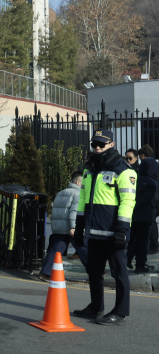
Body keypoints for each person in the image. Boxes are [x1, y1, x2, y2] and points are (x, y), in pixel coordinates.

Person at [73, 129, 136, 325]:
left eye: (101, 144)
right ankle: (96, 306)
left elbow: (128, 201)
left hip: (113, 232)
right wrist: (80, 224)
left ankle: (120, 311)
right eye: (94, 144)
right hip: (94, 231)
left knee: (119, 273)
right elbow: (83, 199)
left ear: (112, 145)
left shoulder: (123, 170)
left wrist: (121, 230)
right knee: (93, 271)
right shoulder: (89, 169)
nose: (97, 148)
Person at [38, 172, 88, 282]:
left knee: (56, 250)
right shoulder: (78, 194)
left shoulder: (60, 193)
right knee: (84, 248)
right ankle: (96, 270)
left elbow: (55, 211)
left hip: (59, 228)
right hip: (71, 228)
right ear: (78, 182)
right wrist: (73, 227)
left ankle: (45, 272)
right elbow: (73, 212)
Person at [126, 158, 158, 273]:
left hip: (133, 215)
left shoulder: (135, 179)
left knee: (136, 240)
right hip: (145, 216)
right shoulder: (152, 183)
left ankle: (129, 256)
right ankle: (140, 265)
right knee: (143, 241)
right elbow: (146, 199)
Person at [138, 144, 159, 254]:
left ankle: (153, 245)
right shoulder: (156, 163)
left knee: (150, 222)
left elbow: (146, 181)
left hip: (152, 197)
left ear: (143, 155)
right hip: (156, 197)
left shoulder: (146, 164)